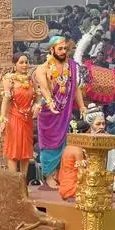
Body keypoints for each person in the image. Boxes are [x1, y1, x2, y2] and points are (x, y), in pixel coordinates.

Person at [33, 36, 86, 189]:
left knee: (63, 143)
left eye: (65, 49)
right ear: (52, 50)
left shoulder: (71, 66)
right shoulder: (42, 68)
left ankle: (59, 175)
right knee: (48, 145)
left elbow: (75, 88)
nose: (63, 52)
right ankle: (49, 176)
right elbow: (44, 88)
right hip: (48, 113)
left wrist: (82, 106)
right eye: (60, 49)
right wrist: (50, 102)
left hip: (64, 112)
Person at [0, 54, 36, 175]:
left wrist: (37, 106)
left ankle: (23, 182)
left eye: (26, 62)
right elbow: (5, 100)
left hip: (27, 119)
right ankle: (14, 182)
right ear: (14, 65)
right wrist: (3, 120)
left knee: (26, 153)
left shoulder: (31, 80)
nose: (25, 65)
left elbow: (37, 97)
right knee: (13, 152)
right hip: (14, 118)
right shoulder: (9, 79)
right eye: (21, 62)